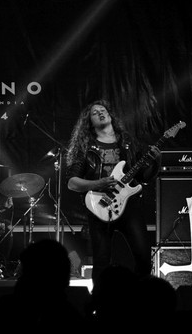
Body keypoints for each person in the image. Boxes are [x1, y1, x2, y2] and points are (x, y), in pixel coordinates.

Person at [65, 99, 161, 286]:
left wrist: (157, 162)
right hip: (99, 206)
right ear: (89, 122)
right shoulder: (85, 147)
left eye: (103, 110)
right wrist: (98, 183)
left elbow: (143, 177)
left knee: (143, 257)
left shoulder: (128, 142)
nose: (100, 113)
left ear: (110, 115)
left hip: (130, 206)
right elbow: (72, 183)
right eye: (95, 113)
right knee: (101, 261)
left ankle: (139, 295)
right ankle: (100, 298)